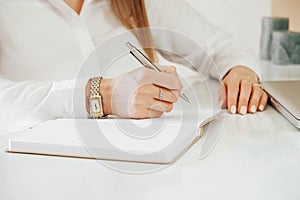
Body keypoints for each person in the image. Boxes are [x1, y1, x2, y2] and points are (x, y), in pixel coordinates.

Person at [0, 0, 268, 131]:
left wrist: (239, 71)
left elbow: (218, 45)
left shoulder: (136, 2)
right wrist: (102, 96)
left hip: (139, 173)